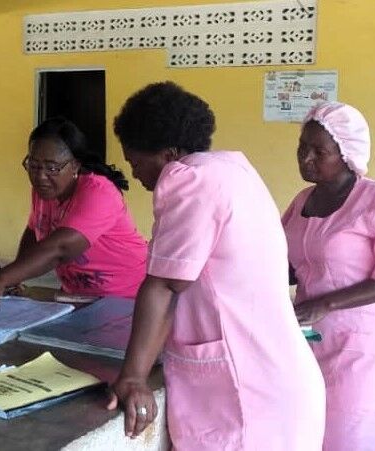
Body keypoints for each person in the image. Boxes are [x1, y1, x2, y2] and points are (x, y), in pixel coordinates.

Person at [106, 81, 325, 449]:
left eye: (136, 162)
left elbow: (164, 285)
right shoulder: (232, 169)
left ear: (169, 154)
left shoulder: (188, 179)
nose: (137, 174)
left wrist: (132, 378)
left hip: (248, 396)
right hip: (279, 380)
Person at [282, 102, 375, 450]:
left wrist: (326, 303)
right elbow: (288, 265)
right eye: (302, 147)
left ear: (346, 153)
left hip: (359, 342)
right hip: (308, 337)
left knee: (351, 434)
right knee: (310, 431)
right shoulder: (301, 203)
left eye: (319, 151)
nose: (306, 158)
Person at [0, 117, 147, 316]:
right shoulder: (45, 191)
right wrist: (16, 277)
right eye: (34, 166)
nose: (41, 177)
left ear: (75, 166)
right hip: (76, 297)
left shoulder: (99, 192)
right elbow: (33, 230)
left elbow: (60, 248)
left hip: (126, 299)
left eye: (52, 168)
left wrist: (0, 280)